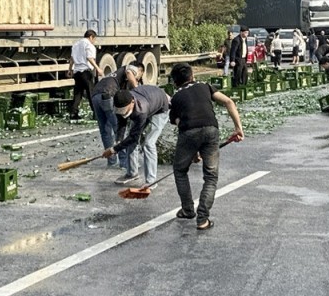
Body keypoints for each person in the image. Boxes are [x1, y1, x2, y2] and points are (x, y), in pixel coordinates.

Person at [166, 63, 244, 231]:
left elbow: (181, 124)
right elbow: (229, 102)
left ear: (175, 82)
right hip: (211, 129)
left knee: (180, 170)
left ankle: (188, 210)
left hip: (188, 132)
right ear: (192, 76)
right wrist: (238, 127)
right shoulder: (205, 86)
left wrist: (193, 151)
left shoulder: (175, 98)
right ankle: (203, 219)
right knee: (210, 176)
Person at [104, 84, 170, 186]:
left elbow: (134, 137)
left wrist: (114, 149)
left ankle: (151, 181)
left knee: (148, 143)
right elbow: (122, 123)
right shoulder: (120, 102)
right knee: (128, 141)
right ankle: (132, 173)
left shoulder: (141, 110)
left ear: (132, 102)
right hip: (149, 100)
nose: (122, 113)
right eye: (119, 111)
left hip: (161, 107)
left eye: (124, 110)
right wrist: (118, 141)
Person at [90, 64, 141, 168]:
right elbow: (129, 73)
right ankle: (124, 162)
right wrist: (137, 88)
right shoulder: (130, 68)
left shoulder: (113, 75)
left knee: (105, 130)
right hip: (108, 94)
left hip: (95, 95)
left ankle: (112, 161)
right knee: (118, 128)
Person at [68, 30, 98, 121]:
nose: (94, 41)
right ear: (91, 37)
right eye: (94, 39)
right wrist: (97, 68)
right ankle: (96, 114)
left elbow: (72, 59)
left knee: (78, 94)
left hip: (77, 72)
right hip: (86, 72)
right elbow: (90, 58)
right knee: (91, 93)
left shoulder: (76, 45)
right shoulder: (89, 45)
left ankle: (73, 113)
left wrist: (70, 69)